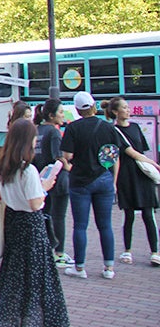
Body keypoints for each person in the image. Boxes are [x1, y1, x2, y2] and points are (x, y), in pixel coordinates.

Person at [0, 119, 90, 327]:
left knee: (18, 277)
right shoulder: (28, 170)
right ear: (28, 141)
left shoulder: (5, 167)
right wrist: (45, 186)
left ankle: (18, 326)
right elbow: (35, 203)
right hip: (31, 226)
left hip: (14, 224)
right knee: (45, 281)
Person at [59, 91, 128, 280]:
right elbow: (114, 156)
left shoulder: (73, 128)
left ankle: (79, 268)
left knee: (80, 225)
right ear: (93, 106)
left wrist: (69, 165)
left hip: (80, 181)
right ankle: (109, 268)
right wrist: (113, 182)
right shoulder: (107, 127)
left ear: (77, 109)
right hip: (104, 179)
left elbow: (67, 156)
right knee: (105, 225)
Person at [106, 97, 160, 267]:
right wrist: (156, 165)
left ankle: (155, 252)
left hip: (142, 175)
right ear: (115, 112)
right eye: (124, 108)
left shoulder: (136, 127)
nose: (128, 110)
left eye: (128, 107)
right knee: (129, 215)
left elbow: (142, 151)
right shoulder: (113, 131)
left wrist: (150, 165)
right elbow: (130, 153)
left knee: (148, 214)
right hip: (126, 177)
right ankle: (127, 251)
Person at [36, 100, 72, 267]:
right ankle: (59, 253)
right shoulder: (54, 132)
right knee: (58, 217)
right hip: (56, 181)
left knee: (45, 216)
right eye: (61, 112)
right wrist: (70, 166)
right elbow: (58, 157)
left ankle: (44, 250)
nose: (62, 116)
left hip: (40, 181)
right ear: (51, 115)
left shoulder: (37, 130)